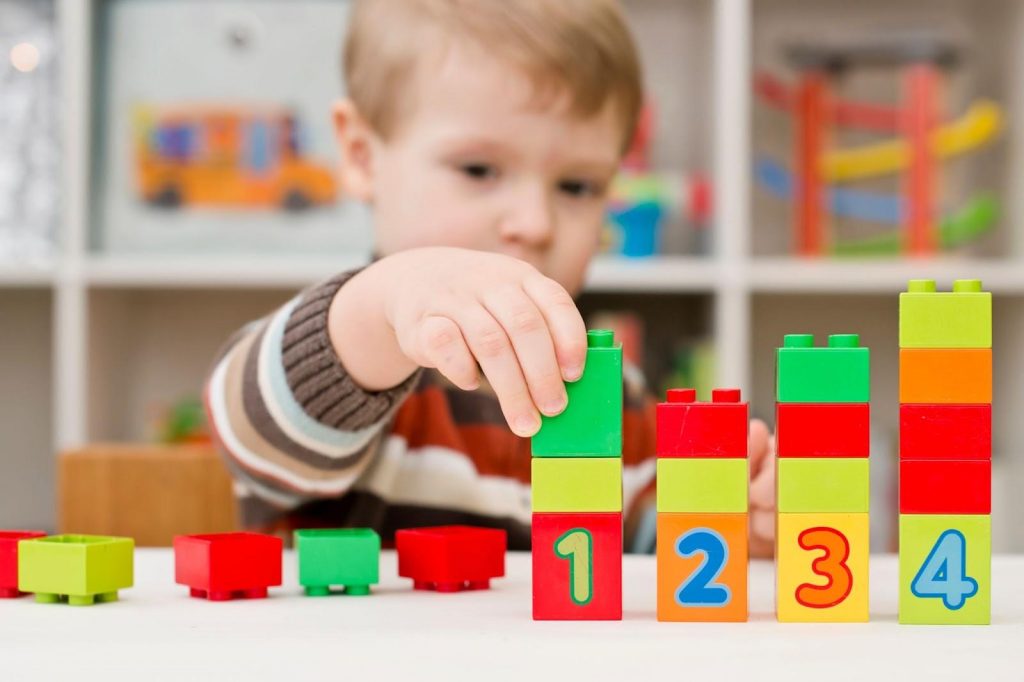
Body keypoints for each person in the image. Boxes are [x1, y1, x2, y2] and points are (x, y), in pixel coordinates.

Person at [205, 0, 776, 554]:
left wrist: (731, 531)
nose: (534, 224)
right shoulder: (353, 363)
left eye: (578, 186)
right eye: (479, 169)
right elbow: (251, 430)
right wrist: (386, 300)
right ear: (360, 155)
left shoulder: (618, 399)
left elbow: (645, 556)